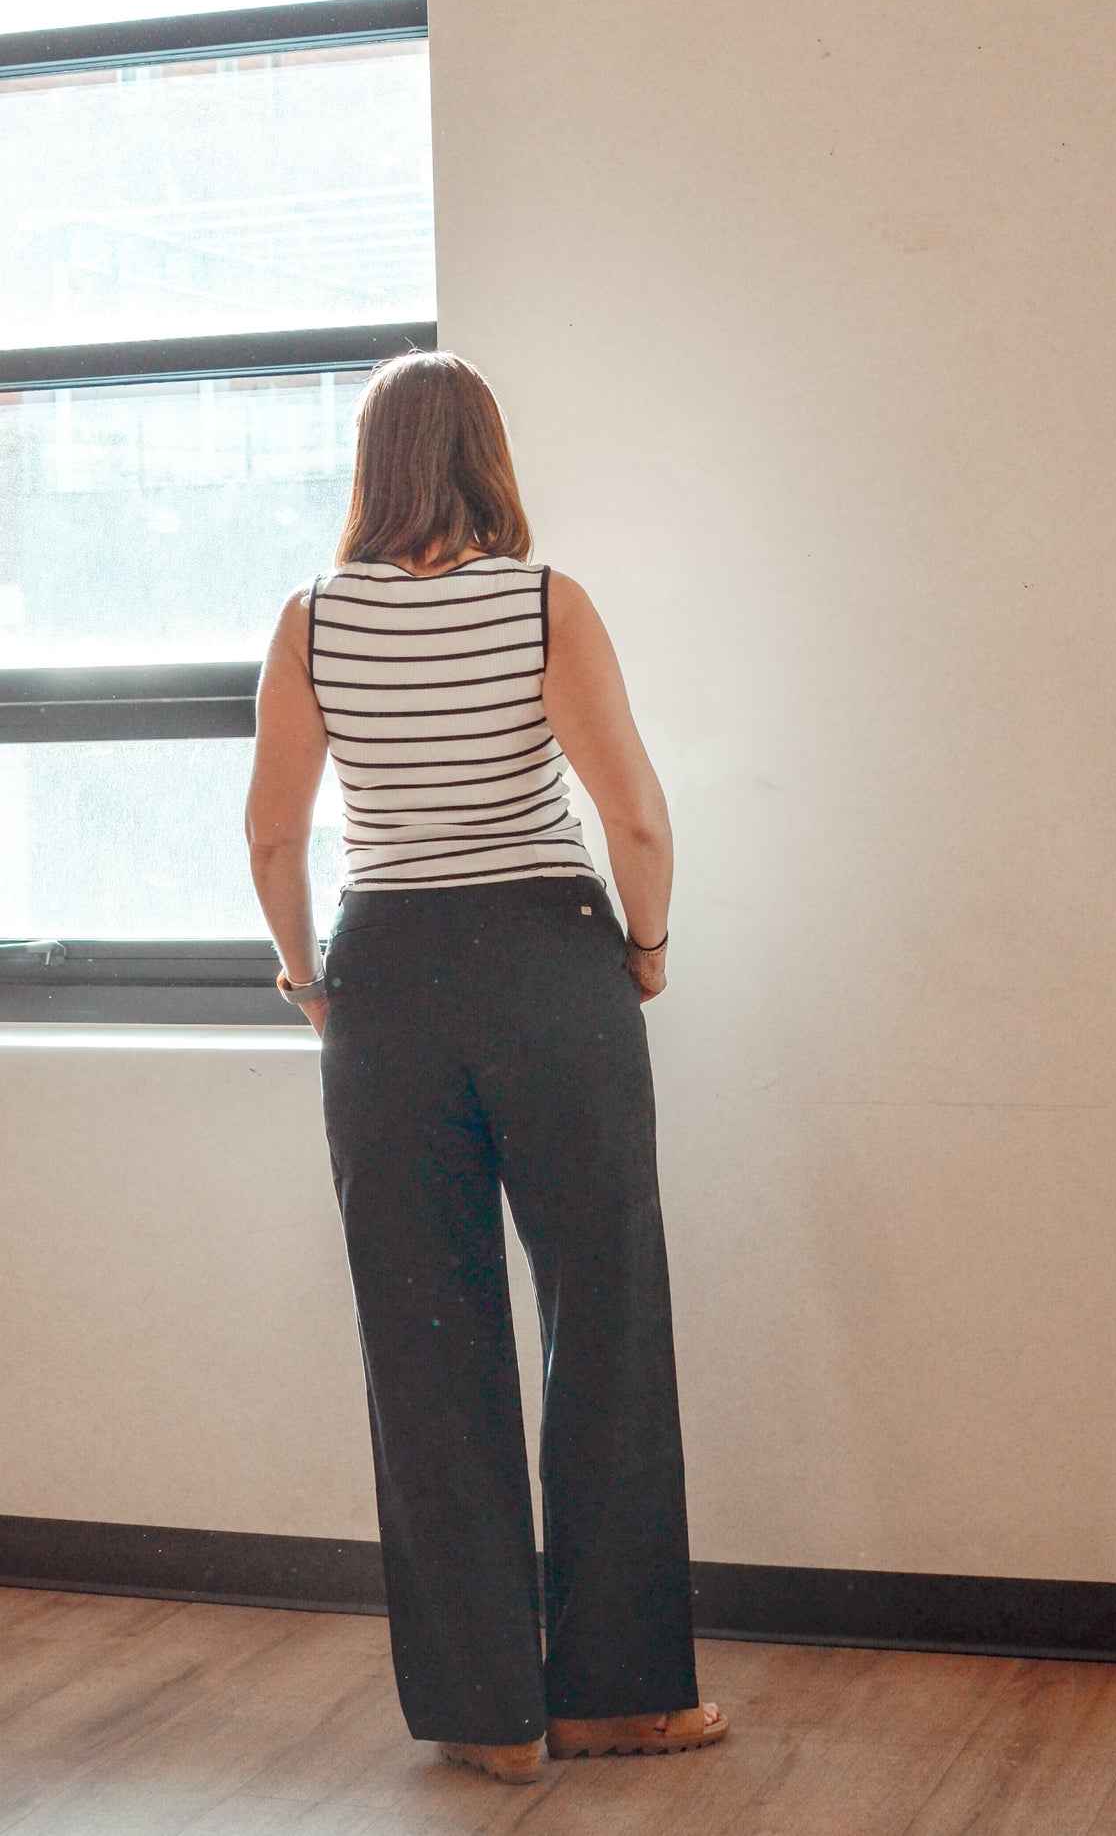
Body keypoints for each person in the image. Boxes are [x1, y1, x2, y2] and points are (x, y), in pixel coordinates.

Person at [244, 350, 726, 1784]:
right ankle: (619, 1693)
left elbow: (273, 835)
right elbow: (632, 814)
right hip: (547, 961)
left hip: (385, 974)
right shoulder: (541, 601)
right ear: (487, 457)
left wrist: (310, 980)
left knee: (426, 1340)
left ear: (373, 466)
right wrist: (643, 950)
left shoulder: (312, 619)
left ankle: (486, 1714)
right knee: (605, 1320)